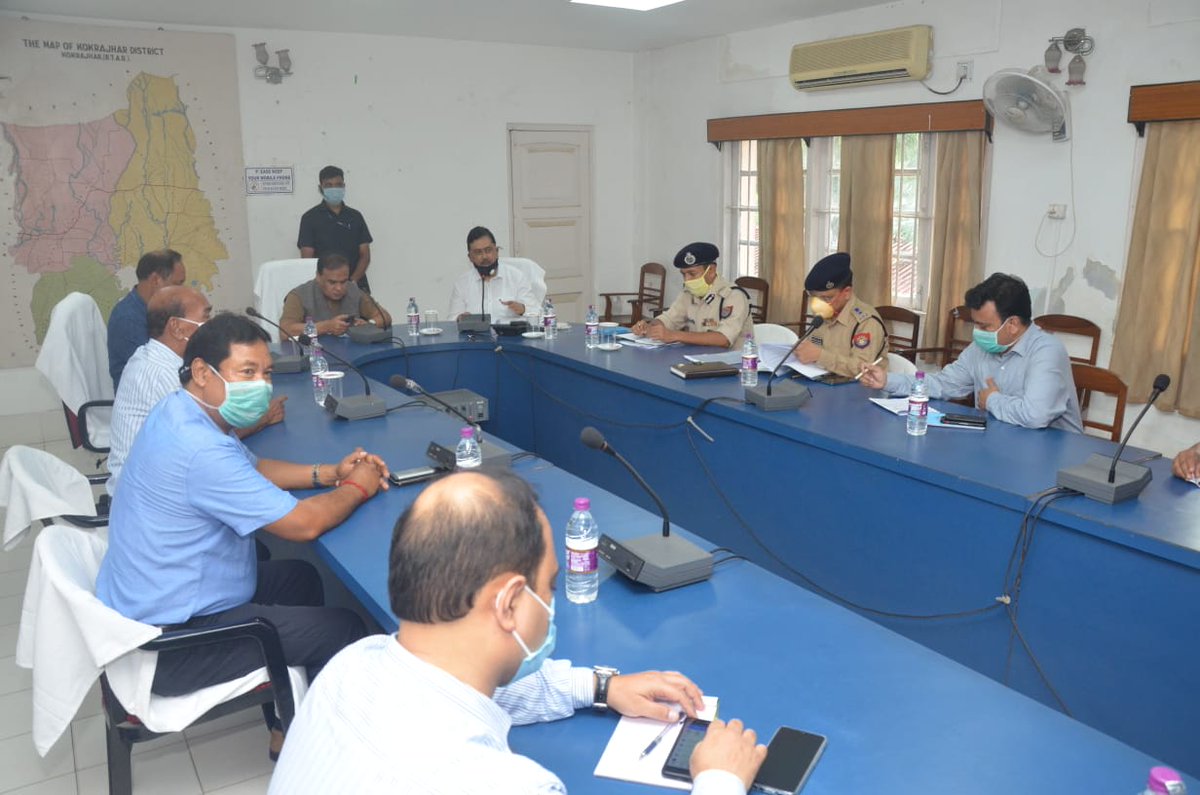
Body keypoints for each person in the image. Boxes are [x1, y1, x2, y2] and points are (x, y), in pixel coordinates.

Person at [270, 469, 768, 793]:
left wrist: (600, 687)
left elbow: (472, 690)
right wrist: (719, 779)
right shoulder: (504, 784)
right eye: (547, 586)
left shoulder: (353, 663)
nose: (550, 603)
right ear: (509, 603)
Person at [95, 313, 390, 758]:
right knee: (345, 627)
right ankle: (325, 754)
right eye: (247, 373)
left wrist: (330, 473)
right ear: (201, 372)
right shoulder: (198, 448)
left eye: (266, 373)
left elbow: (252, 468)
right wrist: (358, 487)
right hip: (170, 644)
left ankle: (286, 724)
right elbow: (303, 524)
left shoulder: (181, 411)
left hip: (168, 597)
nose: (262, 386)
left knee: (301, 579)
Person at [106, 287, 286, 495]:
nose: (210, 325)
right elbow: (207, 437)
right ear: (177, 328)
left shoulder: (159, 357)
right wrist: (262, 418)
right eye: (206, 316)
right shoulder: (160, 373)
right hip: (149, 493)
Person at [859, 273, 1083, 432]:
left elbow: (1036, 415)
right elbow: (944, 384)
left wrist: (992, 400)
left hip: (1055, 458)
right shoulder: (982, 348)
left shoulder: (1047, 352)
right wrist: (888, 380)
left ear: (1013, 324)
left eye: (984, 326)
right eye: (975, 324)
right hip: (1000, 441)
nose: (977, 332)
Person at [630, 243, 752, 349]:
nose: (687, 280)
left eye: (692, 274)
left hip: (733, 363)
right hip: (697, 359)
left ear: (711, 271)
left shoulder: (733, 296)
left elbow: (724, 339)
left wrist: (674, 335)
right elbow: (669, 319)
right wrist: (650, 327)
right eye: (683, 274)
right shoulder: (688, 293)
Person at [797, 252, 888, 378]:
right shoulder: (823, 314)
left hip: (858, 386)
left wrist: (820, 356)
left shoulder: (866, 322)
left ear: (847, 292)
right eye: (815, 298)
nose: (820, 304)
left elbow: (863, 369)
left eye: (827, 298)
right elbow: (812, 347)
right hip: (823, 381)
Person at [107, 249, 186, 388]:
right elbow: (153, 368)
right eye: (177, 284)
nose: (182, 291)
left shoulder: (161, 309)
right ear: (155, 280)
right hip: (143, 393)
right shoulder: (127, 318)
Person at [297, 165, 374, 292]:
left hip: (356, 286)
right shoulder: (309, 218)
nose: (334, 189)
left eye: (338, 185)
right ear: (320, 188)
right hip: (324, 289)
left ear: (344, 186)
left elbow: (365, 255)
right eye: (329, 185)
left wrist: (351, 282)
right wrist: (326, 285)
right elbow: (307, 260)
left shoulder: (355, 216)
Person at [279, 253, 391, 339]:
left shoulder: (353, 290)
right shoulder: (298, 296)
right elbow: (284, 331)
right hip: (315, 354)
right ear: (318, 277)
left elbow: (384, 317)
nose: (339, 288)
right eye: (332, 282)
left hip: (350, 351)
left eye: (343, 282)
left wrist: (369, 324)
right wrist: (326, 327)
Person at [448, 226, 537, 322]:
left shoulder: (516, 277)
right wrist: (459, 319)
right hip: (475, 332)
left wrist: (523, 309)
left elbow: (537, 312)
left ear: (497, 251)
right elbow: (451, 320)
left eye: (488, 250)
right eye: (478, 252)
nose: (484, 256)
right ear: (470, 257)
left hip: (510, 331)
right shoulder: (462, 284)